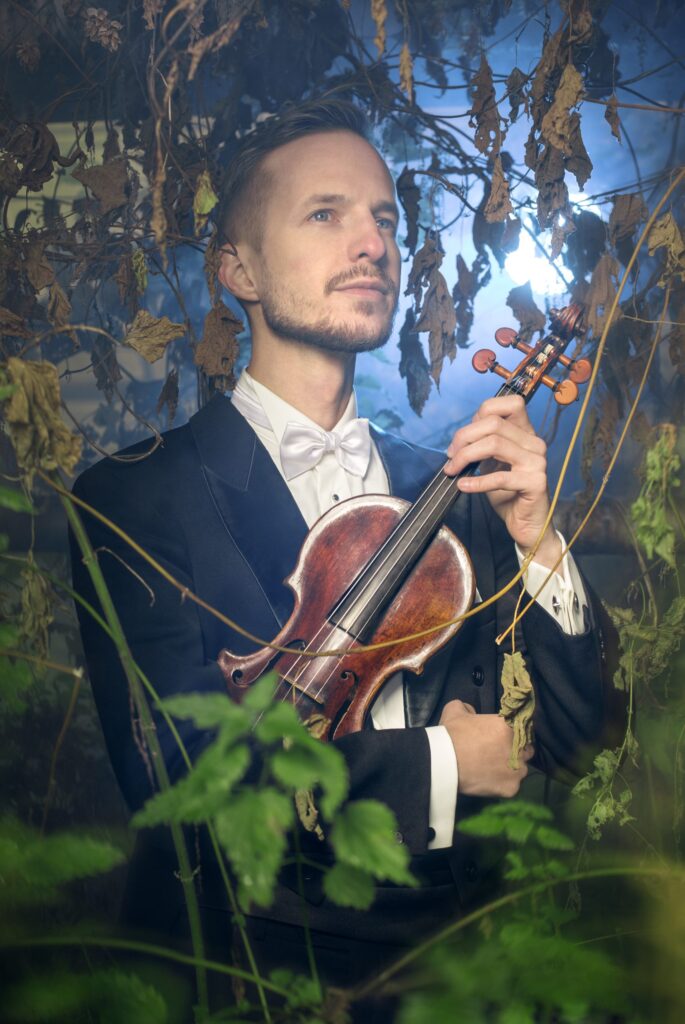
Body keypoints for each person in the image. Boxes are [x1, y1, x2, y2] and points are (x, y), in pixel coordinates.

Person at [70, 98, 619, 1003]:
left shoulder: (458, 491)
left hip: (452, 979)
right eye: (324, 214)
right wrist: (443, 766)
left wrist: (538, 542)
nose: (372, 245)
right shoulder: (133, 498)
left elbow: (581, 744)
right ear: (237, 269)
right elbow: (173, 781)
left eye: (385, 221)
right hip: (244, 975)